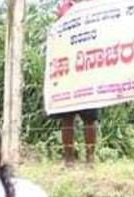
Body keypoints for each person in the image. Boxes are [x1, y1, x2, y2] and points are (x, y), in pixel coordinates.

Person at [52, 0, 97, 166]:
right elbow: (56, 32)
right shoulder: (63, 6)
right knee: (67, 117)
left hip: (89, 65)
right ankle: (69, 158)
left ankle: (90, 158)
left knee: (90, 118)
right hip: (68, 68)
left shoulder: (95, 5)